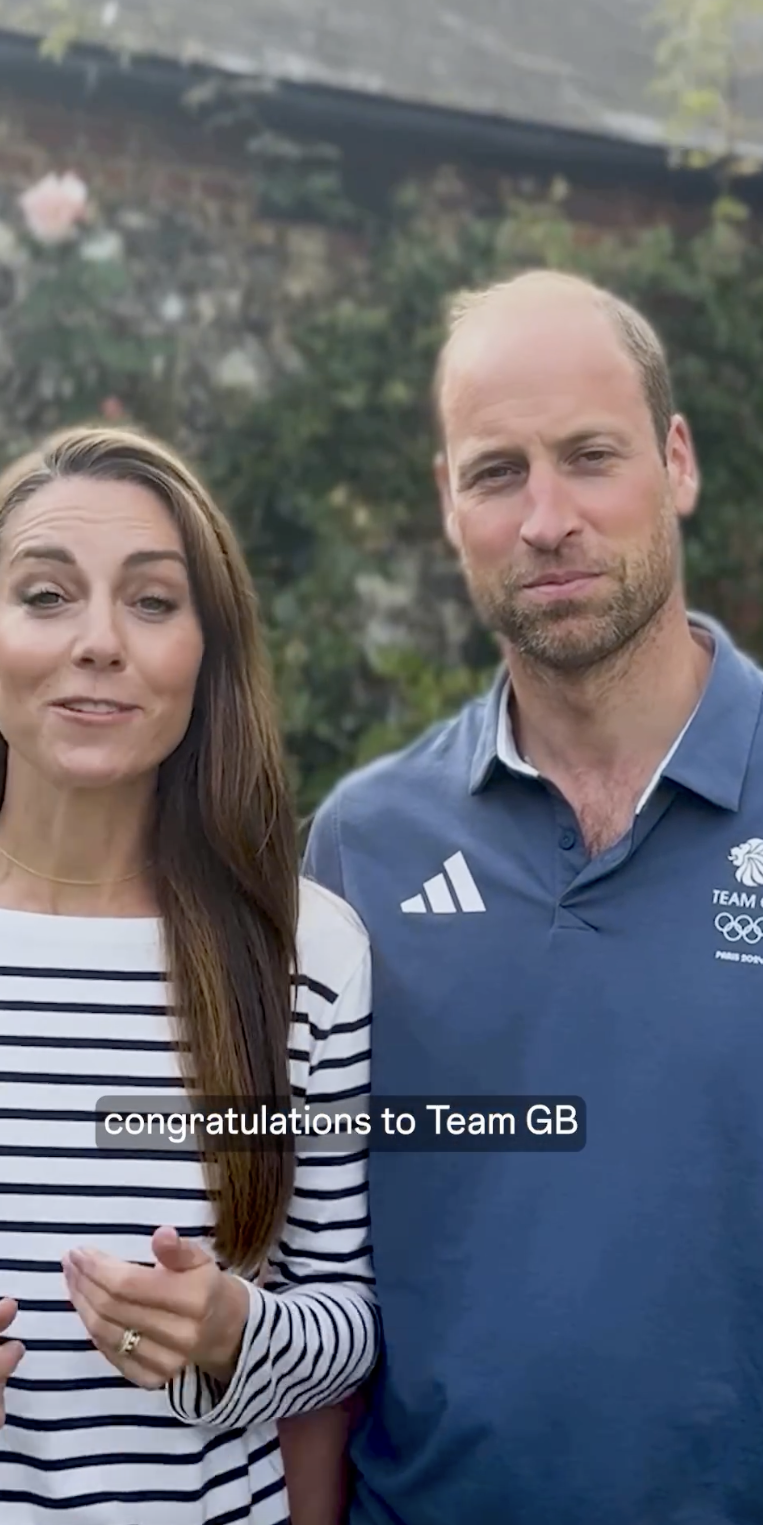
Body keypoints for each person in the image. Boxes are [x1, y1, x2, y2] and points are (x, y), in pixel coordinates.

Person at [303, 268, 763, 1524]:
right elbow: (297, 1266)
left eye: (589, 456)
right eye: (497, 471)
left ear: (676, 461)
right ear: (448, 501)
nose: (545, 516)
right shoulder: (360, 850)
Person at [0, 423, 378, 1525]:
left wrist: (232, 1336)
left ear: (203, 656)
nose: (101, 642)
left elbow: (346, 1321)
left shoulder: (307, 952)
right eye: (48, 594)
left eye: (155, 602)